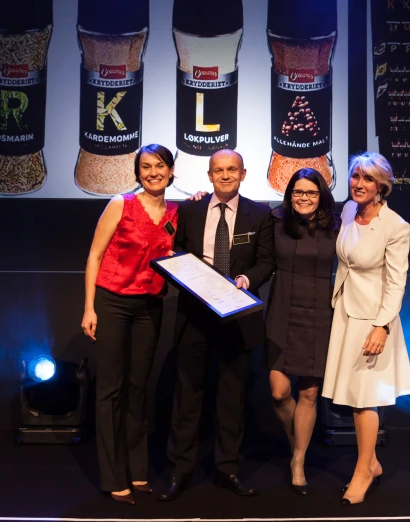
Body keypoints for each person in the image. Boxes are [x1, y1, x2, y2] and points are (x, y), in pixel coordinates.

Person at [158, 149, 275, 501]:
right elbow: (174, 249)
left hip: (236, 315)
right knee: (187, 395)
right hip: (194, 313)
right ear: (209, 176)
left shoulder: (261, 213)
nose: (225, 176)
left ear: (243, 173)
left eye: (232, 170)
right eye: (218, 170)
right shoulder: (190, 210)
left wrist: (245, 279)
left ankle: (228, 469)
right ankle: (180, 471)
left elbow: (266, 261)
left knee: (231, 396)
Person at [80, 144, 178, 505]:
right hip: (113, 302)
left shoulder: (176, 212)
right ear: (138, 172)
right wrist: (90, 307)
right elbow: (94, 254)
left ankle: (137, 471)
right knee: (110, 390)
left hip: (150, 306)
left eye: (160, 166)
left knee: (139, 388)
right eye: (146, 167)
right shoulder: (121, 203)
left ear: (171, 171)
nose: (153, 172)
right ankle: (112, 476)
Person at [322, 152, 410, 505]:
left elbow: (396, 283)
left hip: (372, 320)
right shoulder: (348, 210)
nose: (359, 184)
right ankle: (372, 463)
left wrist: (382, 327)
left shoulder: (395, 226)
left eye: (367, 179)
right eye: (355, 177)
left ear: (382, 185)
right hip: (346, 314)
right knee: (351, 398)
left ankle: (362, 472)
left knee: (364, 401)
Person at [264, 168, 339, 495]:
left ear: (321, 195)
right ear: (289, 195)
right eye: (298, 192)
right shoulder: (275, 222)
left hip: (322, 312)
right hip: (282, 309)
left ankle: (298, 460)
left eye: (310, 192)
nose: (304, 198)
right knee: (279, 391)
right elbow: (263, 260)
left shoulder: (337, 227)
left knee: (309, 392)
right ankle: (299, 441)